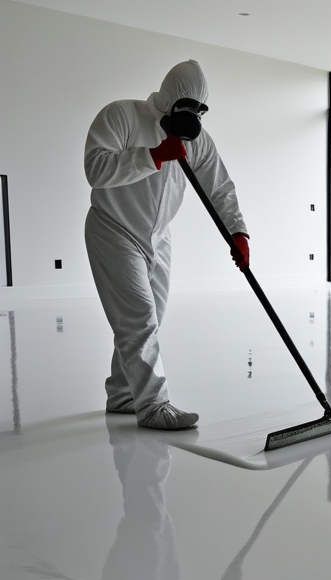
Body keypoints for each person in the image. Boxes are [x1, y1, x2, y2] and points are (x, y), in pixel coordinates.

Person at [84, 60, 250, 430]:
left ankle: (124, 394)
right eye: (187, 105)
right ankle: (154, 405)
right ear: (170, 98)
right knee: (139, 318)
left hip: (159, 236)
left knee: (150, 320)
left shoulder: (198, 140)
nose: (193, 114)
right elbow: (95, 169)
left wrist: (238, 232)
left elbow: (219, 187)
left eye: (200, 108)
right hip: (113, 228)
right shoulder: (121, 115)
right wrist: (154, 155)